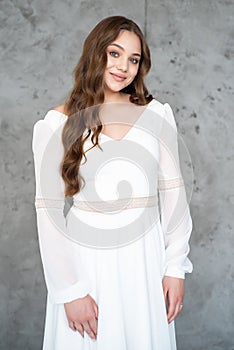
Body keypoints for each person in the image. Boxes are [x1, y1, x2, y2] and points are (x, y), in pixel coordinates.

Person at [32, 15, 193, 350]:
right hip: (88, 262)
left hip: (145, 261)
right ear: (96, 53)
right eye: (115, 53)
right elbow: (47, 213)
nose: (124, 67)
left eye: (134, 59)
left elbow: (174, 194)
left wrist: (175, 266)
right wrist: (70, 290)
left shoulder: (157, 115)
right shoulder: (57, 123)